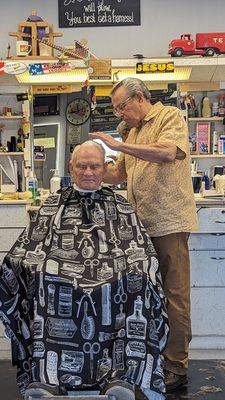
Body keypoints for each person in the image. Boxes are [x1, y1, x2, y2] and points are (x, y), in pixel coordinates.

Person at [0, 141, 168, 400]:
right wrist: (30, 267)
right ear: (71, 167)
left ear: (104, 169)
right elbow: (31, 246)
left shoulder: (119, 205)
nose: (88, 172)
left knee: (138, 280)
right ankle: (47, 377)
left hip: (115, 276)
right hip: (61, 277)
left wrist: (140, 268)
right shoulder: (54, 204)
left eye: (94, 166)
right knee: (44, 281)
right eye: (82, 166)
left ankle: (121, 377)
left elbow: (140, 249)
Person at [90, 78, 198, 391]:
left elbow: (167, 153)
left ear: (140, 98)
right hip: (140, 226)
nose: (119, 113)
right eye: (115, 109)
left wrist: (120, 145)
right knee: (144, 297)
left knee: (174, 296)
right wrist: (90, 167)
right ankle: (149, 358)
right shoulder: (133, 131)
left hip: (168, 222)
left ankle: (176, 367)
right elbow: (119, 173)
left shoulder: (168, 117)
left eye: (122, 106)